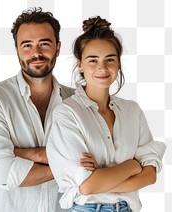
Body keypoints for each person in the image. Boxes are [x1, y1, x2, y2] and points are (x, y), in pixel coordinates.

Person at [46, 16, 166, 212]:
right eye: (93, 60)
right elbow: (88, 186)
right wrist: (133, 165)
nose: (102, 68)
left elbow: (150, 175)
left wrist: (101, 177)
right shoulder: (67, 113)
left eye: (110, 59)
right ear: (80, 64)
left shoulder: (132, 111)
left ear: (118, 64)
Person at [0, 7, 74, 212]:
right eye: (27, 45)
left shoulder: (76, 100)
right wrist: (71, 165)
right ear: (17, 50)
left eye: (44, 44)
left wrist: (22, 154)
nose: (36, 53)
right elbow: (2, 172)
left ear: (58, 48)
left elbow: (97, 155)